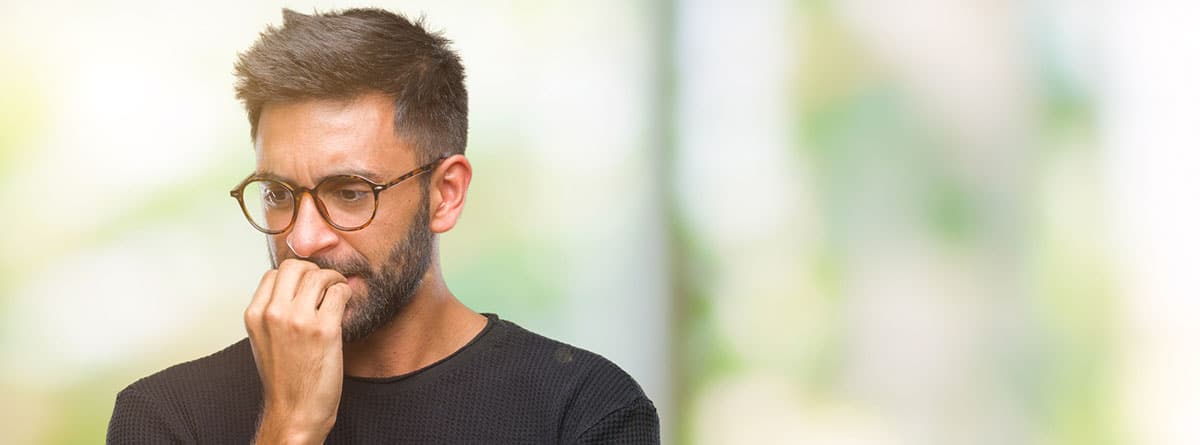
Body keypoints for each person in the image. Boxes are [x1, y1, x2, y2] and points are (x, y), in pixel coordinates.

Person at [106, 8, 659, 444]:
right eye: (277, 194)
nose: (302, 239)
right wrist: (292, 426)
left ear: (445, 194)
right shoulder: (163, 417)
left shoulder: (584, 408)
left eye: (349, 193)